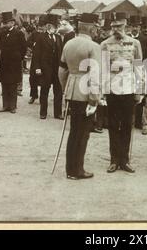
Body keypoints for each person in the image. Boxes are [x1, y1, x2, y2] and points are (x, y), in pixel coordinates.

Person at [58, 13, 101, 180]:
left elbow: (62, 71)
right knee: (83, 133)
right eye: (96, 27)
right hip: (86, 93)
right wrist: (94, 98)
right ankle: (78, 169)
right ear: (90, 28)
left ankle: (71, 169)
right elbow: (95, 75)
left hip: (72, 90)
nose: (97, 30)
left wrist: (66, 89)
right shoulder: (93, 46)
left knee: (74, 131)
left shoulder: (68, 44)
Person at [101, 12, 144, 174]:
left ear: (126, 25)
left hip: (128, 90)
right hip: (112, 91)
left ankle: (124, 160)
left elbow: (139, 68)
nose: (116, 29)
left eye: (119, 26)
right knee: (112, 125)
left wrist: (139, 90)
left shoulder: (135, 44)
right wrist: (104, 91)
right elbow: (103, 69)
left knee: (127, 125)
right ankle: (114, 160)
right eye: (113, 26)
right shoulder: (105, 44)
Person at [32, 14, 63, 119]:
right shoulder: (41, 37)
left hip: (57, 69)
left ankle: (58, 113)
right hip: (45, 69)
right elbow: (36, 54)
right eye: (55, 26)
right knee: (45, 90)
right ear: (49, 26)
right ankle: (43, 112)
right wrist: (37, 68)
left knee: (58, 91)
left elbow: (61, 53)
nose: (56, 28)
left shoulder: (58, 38)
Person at [0, 11, 27, 113]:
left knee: (13, 85)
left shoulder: (19, 33)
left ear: (13, 23)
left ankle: (13, 106)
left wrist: (19, 57)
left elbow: (24, 48)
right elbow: (0, 47)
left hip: (14, 63)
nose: (6, 24)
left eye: (8, 22)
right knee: (4, 84)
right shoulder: (3, 33)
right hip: (4, 62)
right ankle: (5, 106)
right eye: (5, 22)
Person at [27, 14, 47, 104]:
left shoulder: (47, 34)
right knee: (33, 78)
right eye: (40, 26)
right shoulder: (34, 33)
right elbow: (28, 42)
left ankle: (43, 97)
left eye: (42, 27)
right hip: (35, 59)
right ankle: (33, 95)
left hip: (44, 59)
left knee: (44, 79)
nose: (41, 28)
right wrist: (34, 44)